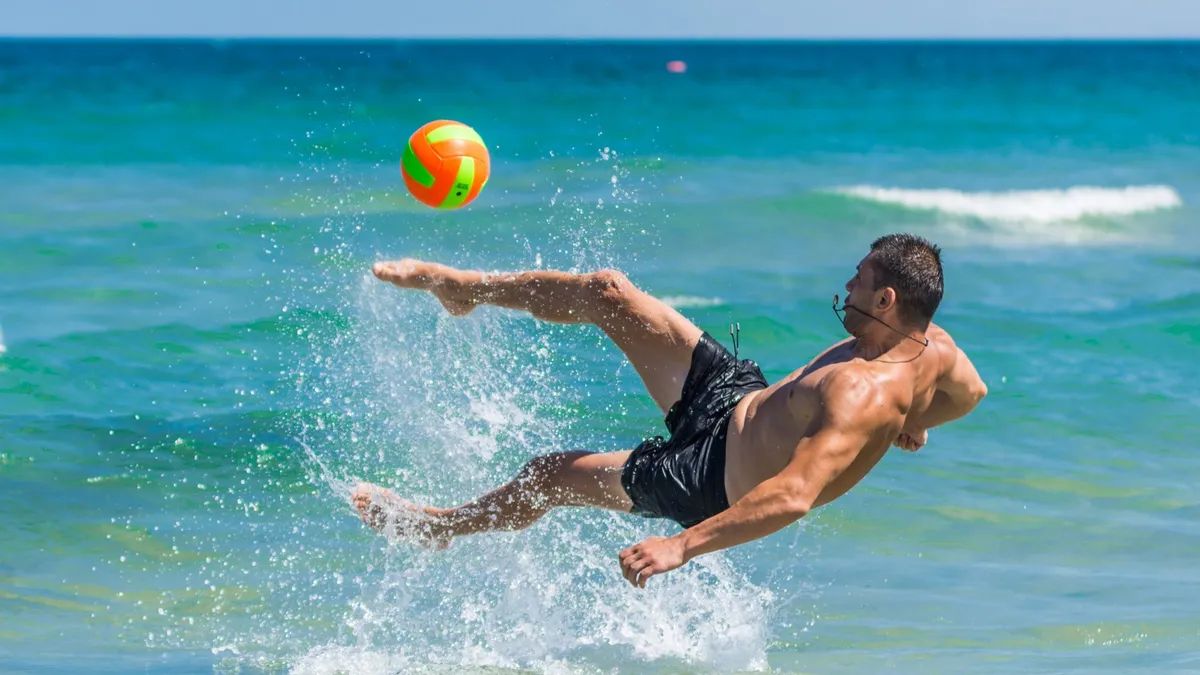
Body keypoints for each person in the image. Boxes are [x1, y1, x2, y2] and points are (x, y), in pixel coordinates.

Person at [352, 233, 988, 588]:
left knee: (549, 476)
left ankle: (439, 527)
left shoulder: (862, 395)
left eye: (856, 279)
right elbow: (972, 395)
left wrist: (681, 546)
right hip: (738, 397)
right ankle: (466, 290)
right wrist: (917, 420)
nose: (846, 287)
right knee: (609, 293)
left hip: (709, 479)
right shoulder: (936, 352)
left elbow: (793, 496)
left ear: (887, 295)